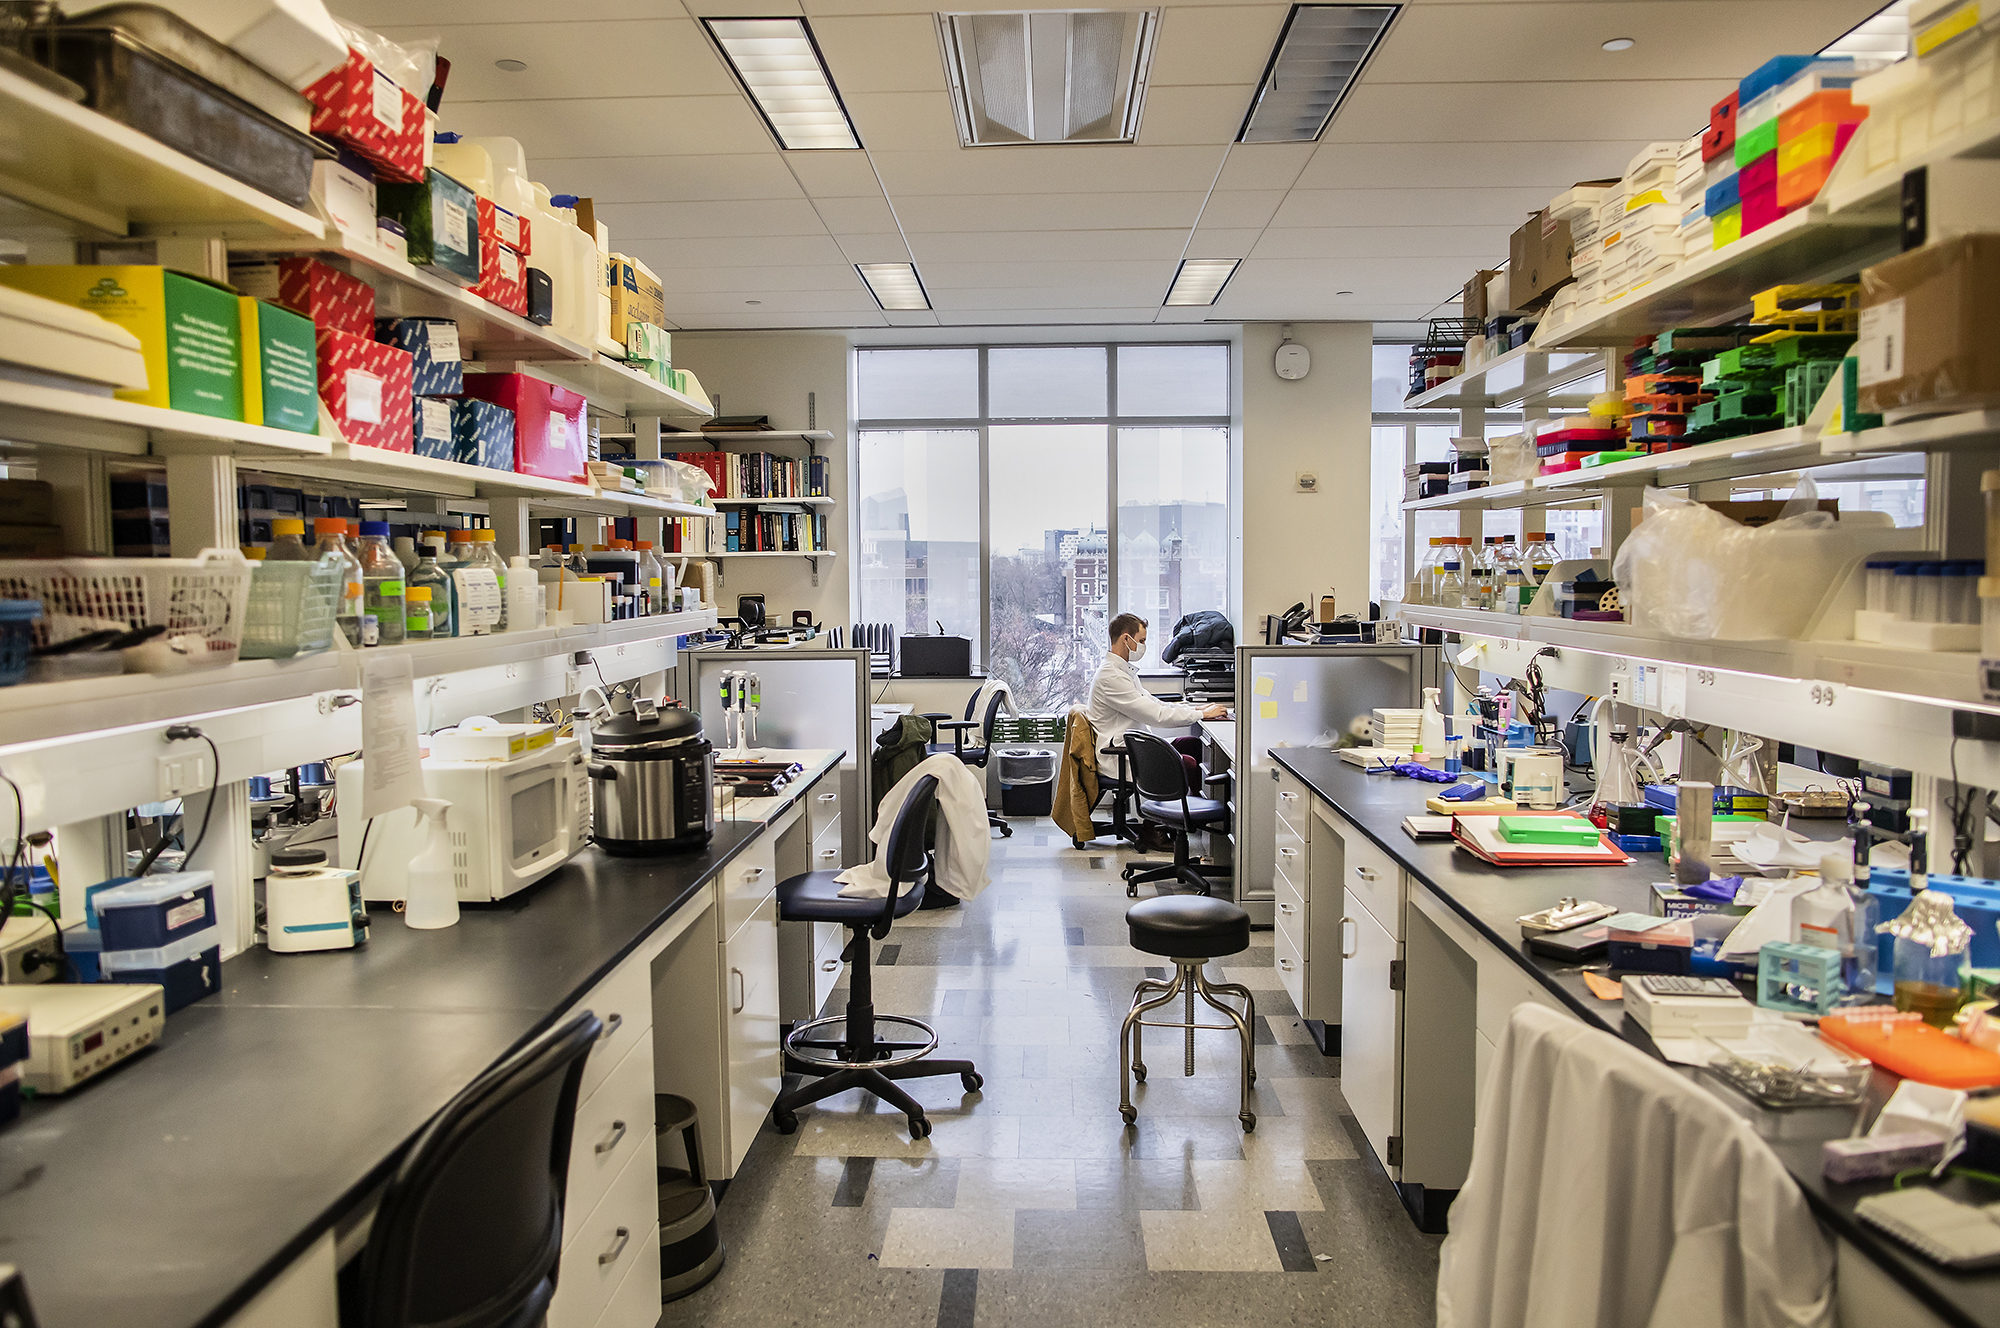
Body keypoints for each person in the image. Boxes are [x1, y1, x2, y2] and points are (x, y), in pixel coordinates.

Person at [1085, 613, 1227, 789]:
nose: (1144, 646)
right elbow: (1156, 715)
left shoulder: (1122, 671)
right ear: (1126, 639)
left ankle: (1197, 810)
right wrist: (1200, 714)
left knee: (1193, 745)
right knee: (1188, 764)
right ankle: (1190, 814)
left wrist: (1195, 707)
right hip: (1121, 756)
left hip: (1135, 746)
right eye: (1141, 641)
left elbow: (1154, 703)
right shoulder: (1111, 677)